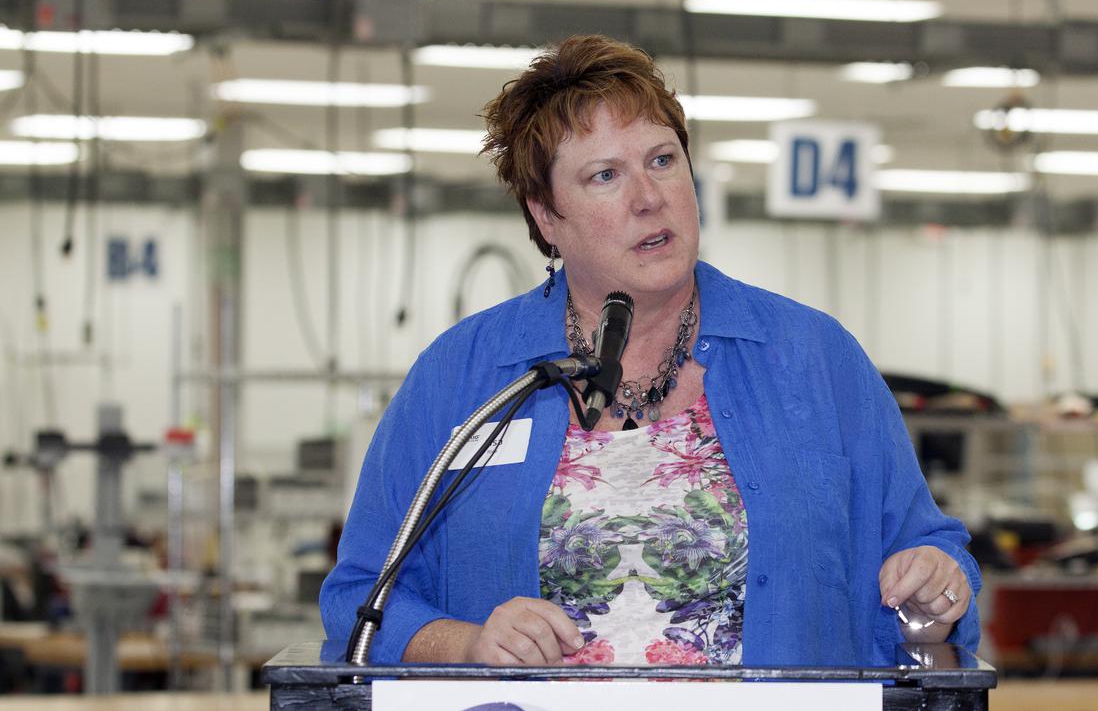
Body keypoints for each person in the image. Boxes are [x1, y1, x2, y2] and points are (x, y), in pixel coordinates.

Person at [320, 34, 981, 667]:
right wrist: (467, 644)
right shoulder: (465, 375)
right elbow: (359, 600)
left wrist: (937, 586)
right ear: (547, 216)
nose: (648, 196)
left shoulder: (814, 358)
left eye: (662, 160)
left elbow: (929, 552)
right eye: (605, 175)